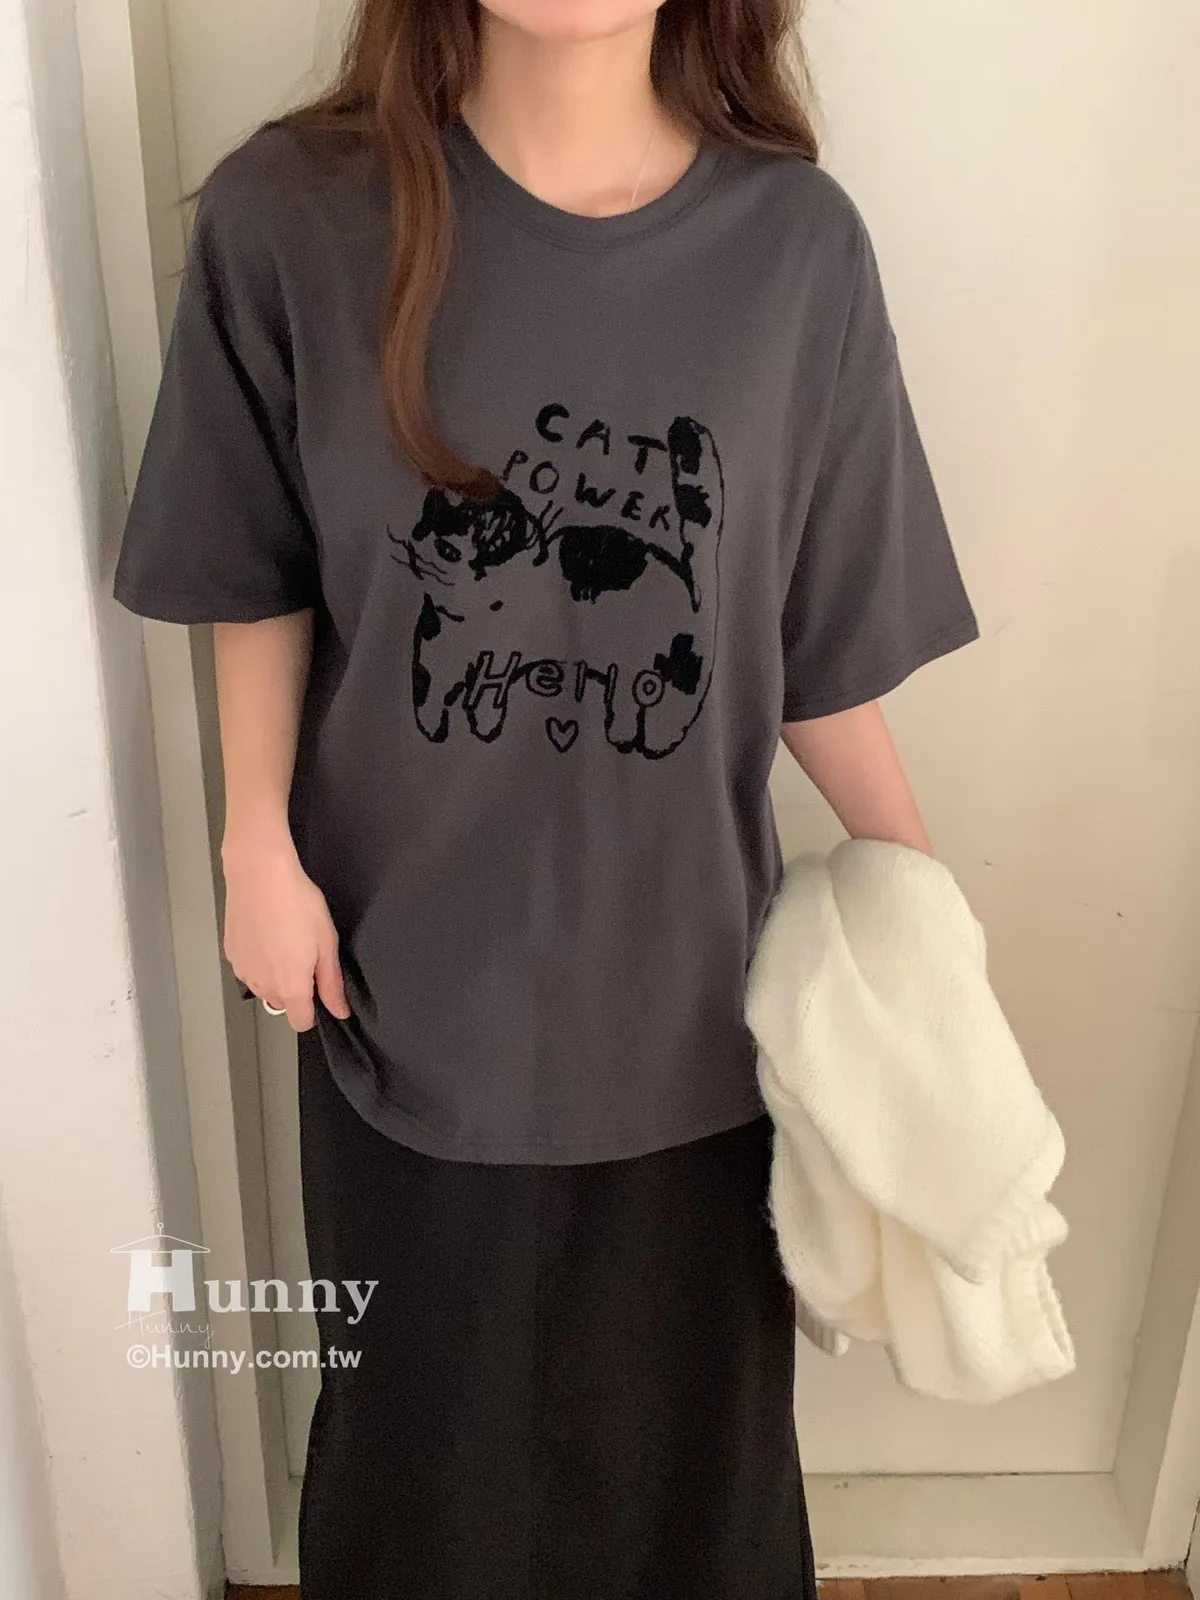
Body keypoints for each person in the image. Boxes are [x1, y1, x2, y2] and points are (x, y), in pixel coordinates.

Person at [111, 1, 979, 1593]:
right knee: (418, 1483)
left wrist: (929, 931)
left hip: (693, 1007)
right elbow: (257, 572)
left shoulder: (795, 252)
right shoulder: (291, 219)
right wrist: (254, 845)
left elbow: (807, 648)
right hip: (396, 986)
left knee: (692, 1499)